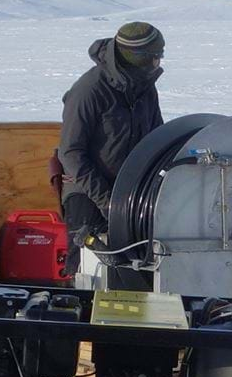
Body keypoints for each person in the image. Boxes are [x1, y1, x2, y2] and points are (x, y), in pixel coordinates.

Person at [57, 22, 165, 251]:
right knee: (89, 266)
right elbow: (71, 153)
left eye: (160, 55)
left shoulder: (145, 88)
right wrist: (106, 200)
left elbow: (158, 138)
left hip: (130, 194)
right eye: (154, 56)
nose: (158, 62)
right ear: (137, 57)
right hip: (88, 191)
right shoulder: (89, 90)